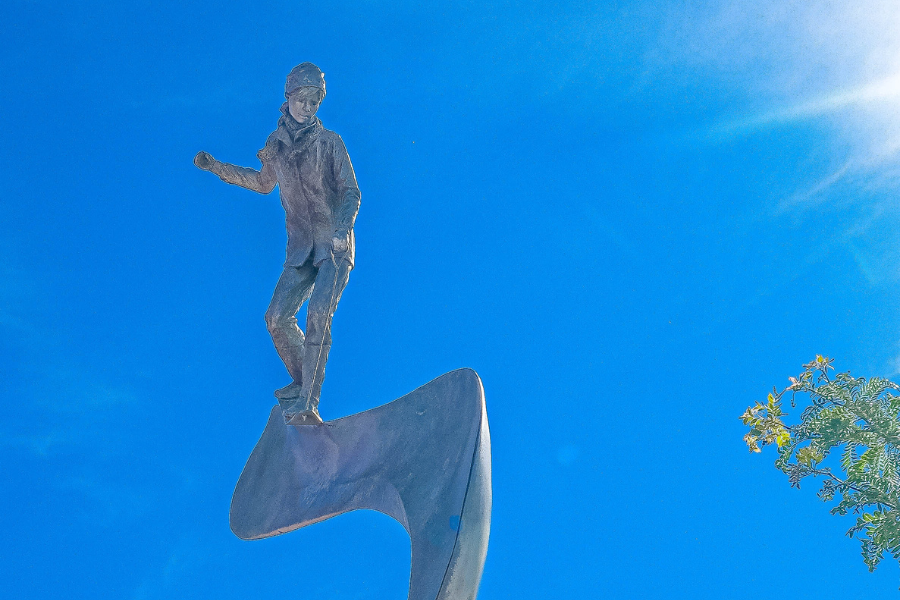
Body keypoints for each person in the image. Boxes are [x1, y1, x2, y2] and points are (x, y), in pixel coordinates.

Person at [194, 62, 360, 425]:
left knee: (318, 315)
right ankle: (302, 380)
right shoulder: (277, 147)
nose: (308, 107)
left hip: (333, 246)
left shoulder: (330, 143)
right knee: (275, 318)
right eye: (302, 99)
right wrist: (215, 167)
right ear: (288, 99)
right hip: (301, 249)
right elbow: (261, 183)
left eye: (314, 102)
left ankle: (308, 401)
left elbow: (351, 192)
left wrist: (342, 229)